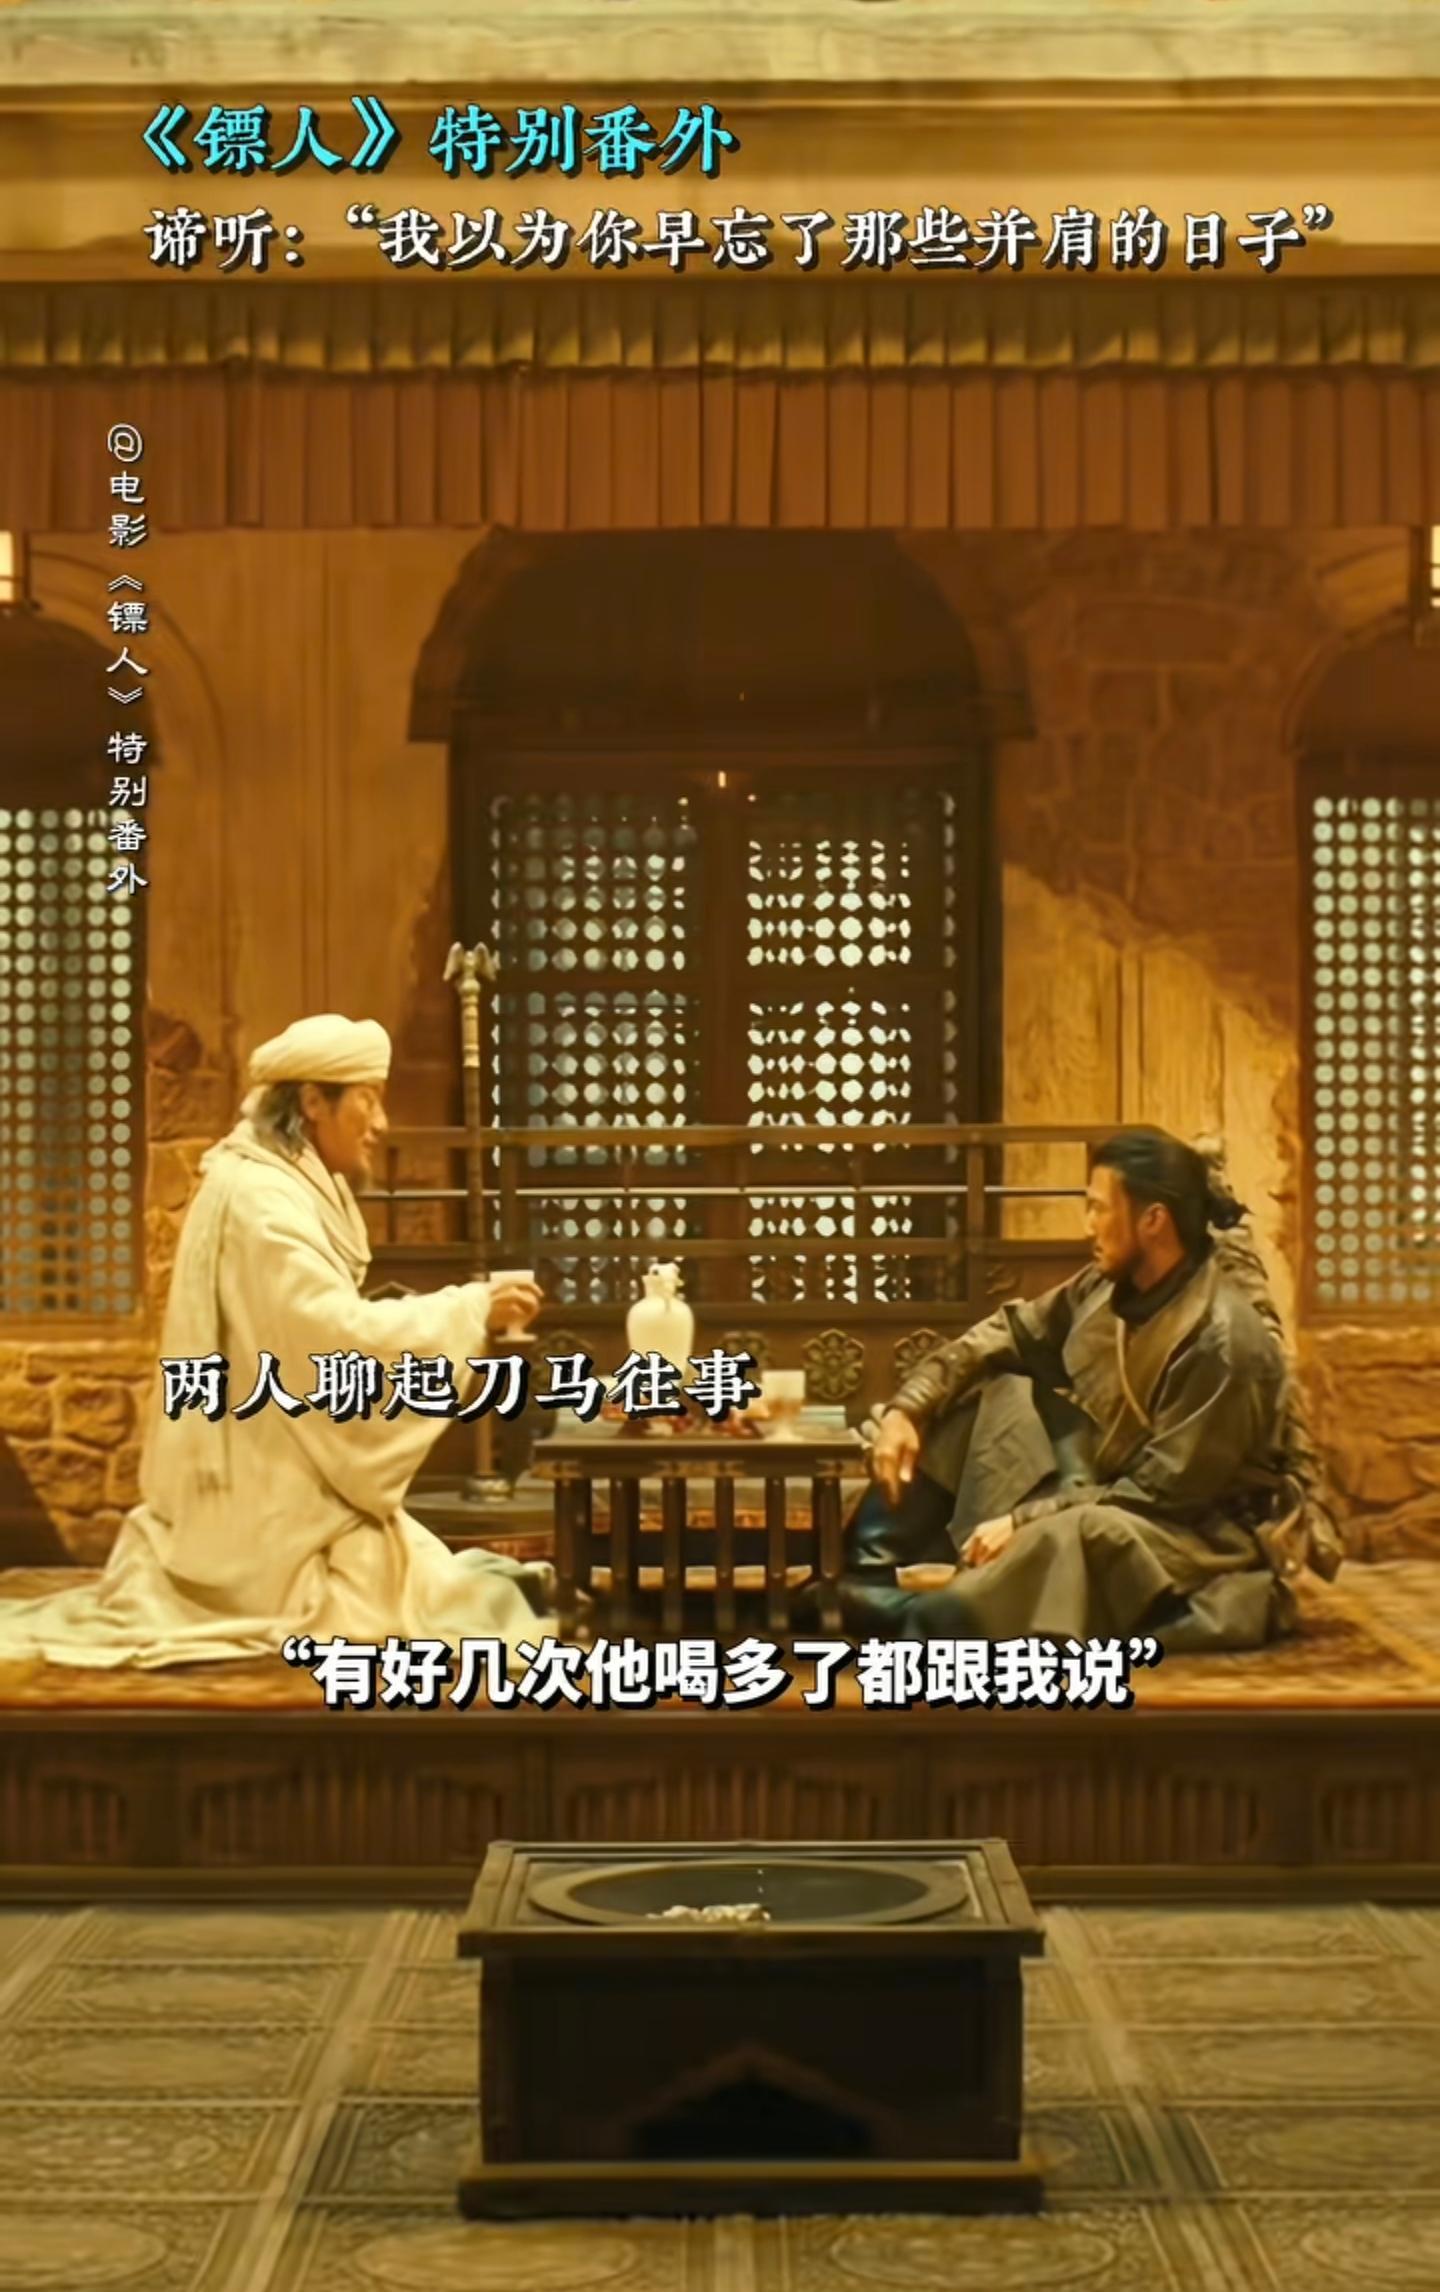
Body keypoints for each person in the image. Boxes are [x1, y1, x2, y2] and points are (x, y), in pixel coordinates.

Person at [0, 1014, 556, 1670]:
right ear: (313, 1103)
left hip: (267, 1453)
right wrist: (469, 1309)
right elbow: (332, 1343)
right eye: (368, 1101)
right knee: (394, 1600)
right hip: (257, 1484)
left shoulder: (271, 1182)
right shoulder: (262, 1202)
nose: (381, 1123)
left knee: (426, 1579)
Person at [839, 1128, 1297, 1652]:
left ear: (1152, 1221)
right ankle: (866, 1573)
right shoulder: (1104, 1286)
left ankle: (918, 1616)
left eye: (1098, 1208)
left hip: (1187, 1531)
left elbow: (1163, 1495)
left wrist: (1023, 1519)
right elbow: (1008, 1335)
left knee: (1078, 1534)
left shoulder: (1221, 1341)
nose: (1087, 1226)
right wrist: (907, 1409)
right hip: (1105, 1480)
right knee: (987, 1391)